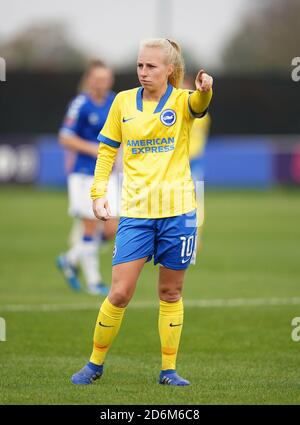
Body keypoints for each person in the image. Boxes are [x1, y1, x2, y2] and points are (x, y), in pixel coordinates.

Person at [71, 38, 213, 386]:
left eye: (151, 66)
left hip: (178, 212)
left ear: (169, 70)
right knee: (119, 292)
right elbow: (106, 151)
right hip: (135, 212)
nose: (143, 72)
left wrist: (206, 90)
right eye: (139, 65)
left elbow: (199, 104)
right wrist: (98, 192)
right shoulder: (122, 103)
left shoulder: (181, 100)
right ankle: (94, 364)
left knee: (170, 293)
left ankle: (168, 370)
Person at [56, 60, 119, 296]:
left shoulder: (115, 102)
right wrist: (94, 149)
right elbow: (65, 137)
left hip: (108, 174)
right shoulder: (80, 104)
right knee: (91, 225)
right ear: (90, 80)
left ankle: (69, 258)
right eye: (98, 78)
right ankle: (94, 281)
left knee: (112, 228)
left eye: (106, 79)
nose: (102, 83)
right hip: (84, 174)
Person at [182, 75, 211, 252]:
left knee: (195, 201)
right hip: (182, 161)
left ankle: (194, 236)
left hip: (193, 161)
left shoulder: (198, 113)